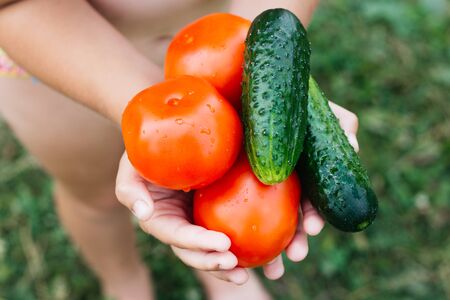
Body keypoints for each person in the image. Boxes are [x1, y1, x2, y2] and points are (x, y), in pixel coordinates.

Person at [0, 1, 360, 299]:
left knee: (215, 245)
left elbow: (276, 32)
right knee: (93, 197)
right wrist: (161, 119)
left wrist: (264, 76)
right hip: (60, 59)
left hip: (222, 38)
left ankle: (221, 270)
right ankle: (123, 278)